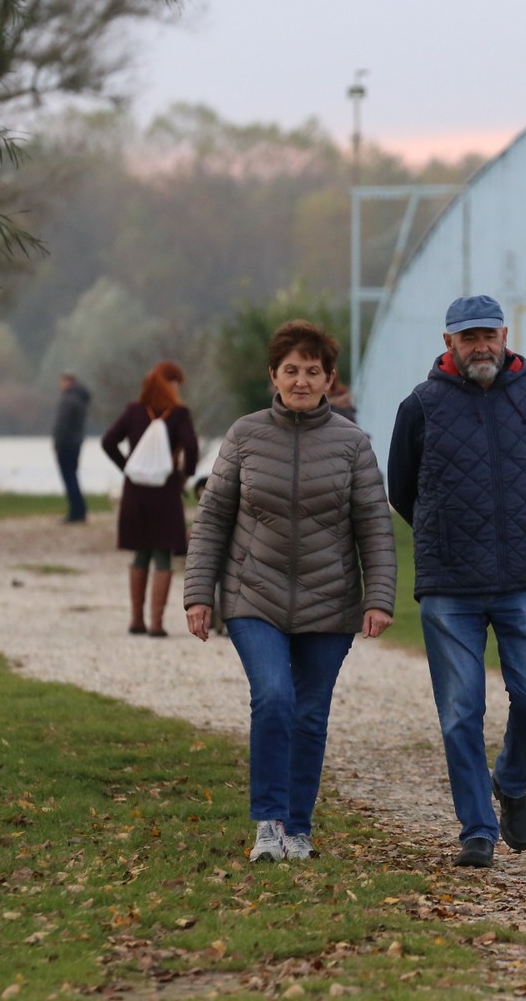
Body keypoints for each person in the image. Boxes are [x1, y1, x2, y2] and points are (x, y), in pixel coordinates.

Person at [184, 320, 396, 863]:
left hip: (331, 599)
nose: (302, 381)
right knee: (275, 698)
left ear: (330, 379)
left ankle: (298, 829)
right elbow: (212, 518)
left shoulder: (353, 444)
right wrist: (198, 593)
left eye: (313, 371)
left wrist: (379, 597)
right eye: (291, 370)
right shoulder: (244, 436)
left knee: (310, 714)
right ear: (273, 376)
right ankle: (269, 824)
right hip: (253, 595)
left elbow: (374, 524)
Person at [387, 294, 526, 869]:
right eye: (468, 338)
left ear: (505, 335)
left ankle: (510, 783)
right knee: (461, 712)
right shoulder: (420, 405)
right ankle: (477, 830)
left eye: (489, 335)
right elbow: (401, 491)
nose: (480, 346)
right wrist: (446, 533)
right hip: (450, 584)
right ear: (449, 344)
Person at [101, 361, 200, 637]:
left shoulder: (133, 411)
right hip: (165, 492)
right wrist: (186, 474)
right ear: (171, 384)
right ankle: (156, 623)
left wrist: (128, 467)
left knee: (140, 551)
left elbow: (108, 441)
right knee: (163, 553)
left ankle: (136, 619)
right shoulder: (179, 414)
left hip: (135, 492)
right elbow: (191, 446)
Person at [52, 371, 91, 523]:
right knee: (73, 476)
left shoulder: (68, 400)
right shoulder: (81, 399)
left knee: (69, 478)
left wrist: (57, 445)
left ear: (68, 382)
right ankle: (80, 510)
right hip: (76, 443)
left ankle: (75, 512)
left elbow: (62, 425)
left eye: (62, 382)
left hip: (66, 444)